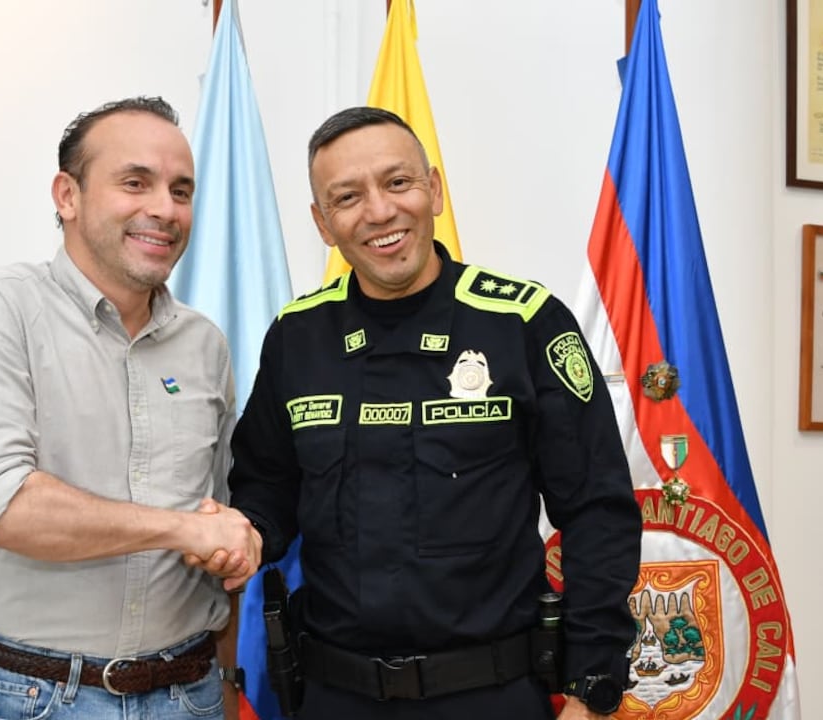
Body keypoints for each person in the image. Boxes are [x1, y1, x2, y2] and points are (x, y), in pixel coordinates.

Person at [225, 107, 642, 719]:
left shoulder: (524, 324)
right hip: (335, 696)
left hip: (491, 694)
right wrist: (238, 535)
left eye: (398, 183)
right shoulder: (297, 336)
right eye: (347, 196)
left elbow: (596, 511)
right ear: (322, 223)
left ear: (435, 190)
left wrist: (593, 689)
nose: (379, 212)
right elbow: (265, 487)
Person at [0, 96, 262, 720]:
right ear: (68, 196)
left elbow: (220, 532)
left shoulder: (204, 344)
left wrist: (225, 677)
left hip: (191, 694)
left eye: (181, 190)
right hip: (43, 698)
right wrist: (182, 527)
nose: (164, 209)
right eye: (135, 182)